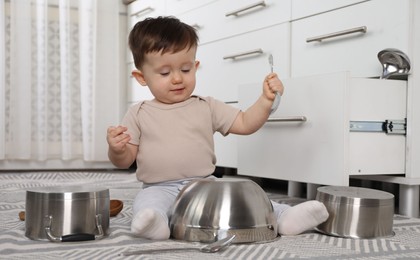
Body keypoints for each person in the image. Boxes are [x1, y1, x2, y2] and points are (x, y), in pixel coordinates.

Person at [106, 16, 328, 240]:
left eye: (185, 69)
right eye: (164, 73)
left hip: (205, 186)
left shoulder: (207, 106)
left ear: (195, 66)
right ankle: (156, 224)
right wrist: (117, 149)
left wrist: (265, 100)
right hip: (158, 187)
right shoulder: (138, 112)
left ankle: (284, 216)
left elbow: (245, 123)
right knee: (148, 205)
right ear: (141, 77)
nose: (177, 79)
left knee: (242, 200)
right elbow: (125, 161)